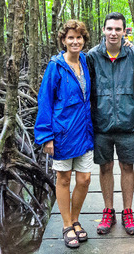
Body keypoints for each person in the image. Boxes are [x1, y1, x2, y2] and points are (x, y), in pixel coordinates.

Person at [34, 19, 94, 248]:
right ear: (63, 40)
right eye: (70, 37)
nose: (75, 41)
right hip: (62, 131)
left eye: (79, 37)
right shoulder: (55, 66)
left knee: (85, 179)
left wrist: (128, 46)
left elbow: (107, 51)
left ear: (84, 40)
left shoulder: (86, 62)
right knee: (64, 178)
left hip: (85, 130)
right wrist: (46, 136)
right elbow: (45, 101)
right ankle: (67, 225)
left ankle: (76, 219)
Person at [86, 12, 134, 235]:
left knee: (127, 166)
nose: (113, 33)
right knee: (105, 166)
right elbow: (89, 87)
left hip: (127, 121)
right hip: (101, 120)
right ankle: (108, 211)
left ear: (124, 31)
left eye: (118, 29)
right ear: (103, 30)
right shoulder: (92, 56)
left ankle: (127, 212)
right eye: (109, 28)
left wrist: (126, 102)